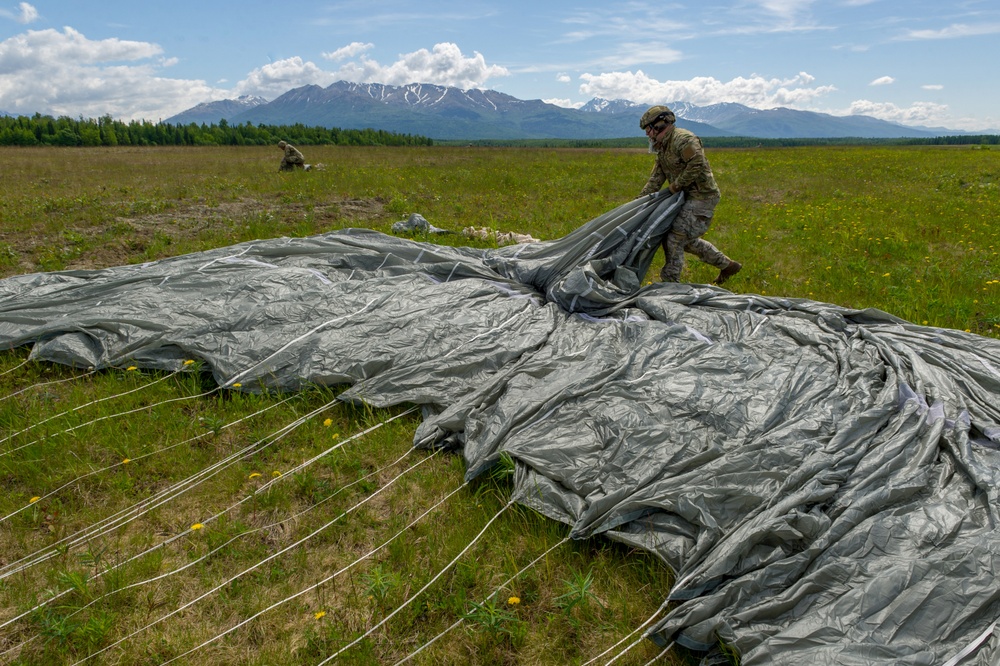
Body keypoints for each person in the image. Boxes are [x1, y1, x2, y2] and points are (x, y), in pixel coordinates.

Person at [639, 105, 742, 286]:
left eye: (648, 129)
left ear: (659, 125)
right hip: (687, 198)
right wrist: (638, 204)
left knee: (675, 237)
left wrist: (675, 186)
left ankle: (670, 284)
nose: (647, 134)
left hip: (703, 197)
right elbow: (655, 179)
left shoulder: (684, 140)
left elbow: (696, 164)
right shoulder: (663, 148)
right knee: (685, 241)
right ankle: (727, 265)